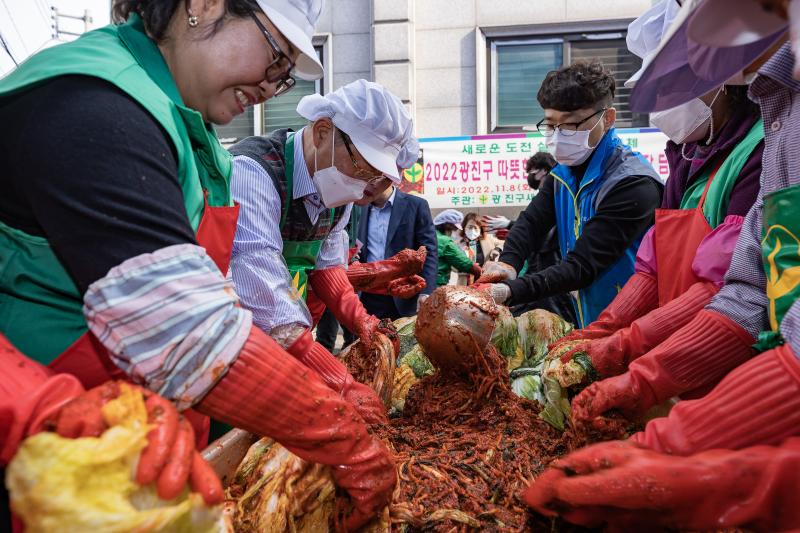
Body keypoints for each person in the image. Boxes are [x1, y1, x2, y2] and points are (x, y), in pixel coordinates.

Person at [0, 0, 394, 528]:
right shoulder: (93, 103)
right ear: (203, 5)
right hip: (48, 448)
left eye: (284, 78)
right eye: (276, 57)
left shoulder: (195, 136)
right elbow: (192, 332)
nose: (271, 85)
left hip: (143, 435)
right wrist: (342, 433)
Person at [525, 1, 800, 530]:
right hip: (730, 385)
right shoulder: (707, 148)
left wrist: (637, 371)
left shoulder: (750, 148)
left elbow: (713, 286)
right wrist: (613, 348)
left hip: (743, 381)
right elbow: (742, 289)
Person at [550, 0, 764, 386]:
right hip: (679, 357)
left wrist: (627, 345)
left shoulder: (759, 151)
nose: (662, 103)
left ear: (723, 79)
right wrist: (605, 328)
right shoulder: (687, 156)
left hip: (734, 364)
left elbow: (724, 284)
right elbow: (653, 267)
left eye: (672, 85)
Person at [477, 61, 664, 329]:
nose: (558, 136)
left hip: (633, 324)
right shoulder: (561, 174)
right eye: (551, 125)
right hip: (587, 318)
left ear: (607, 118)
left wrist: (510, 292)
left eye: (571, 125)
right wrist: (507, 263)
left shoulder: (632, 182)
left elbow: (582, 266)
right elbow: (531, 223)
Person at [354, 171, 438, 322]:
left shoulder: (416, 205)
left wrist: (426, 291)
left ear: (388, 178)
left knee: (403, 341)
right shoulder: (358, 208)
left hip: (403, 293)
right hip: (367, 294)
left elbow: (429, 250)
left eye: (371, 178)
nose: (367, 183)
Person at [434, 209, 481, 286]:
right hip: (436, 283)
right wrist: (479, 271)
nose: (455, 231)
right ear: (447, 225)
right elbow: (463, 263)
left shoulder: (428, 235)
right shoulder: (445, 241)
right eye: (454, 229)